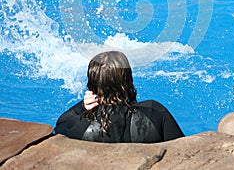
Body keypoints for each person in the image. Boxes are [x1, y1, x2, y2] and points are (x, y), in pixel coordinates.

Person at [55, 50, 185, 143]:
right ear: (128, 81)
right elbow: (181, 147)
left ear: (92, 87)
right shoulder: (154, 112)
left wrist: (82, 106)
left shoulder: (79, 126)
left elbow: (58, 127)